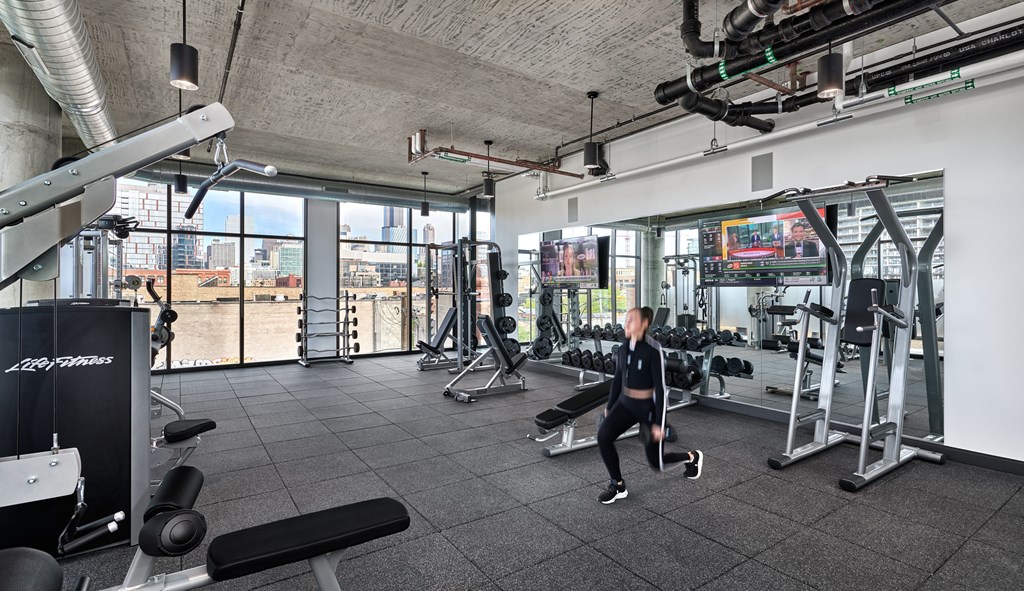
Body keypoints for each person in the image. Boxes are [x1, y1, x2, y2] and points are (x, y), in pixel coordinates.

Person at [596, 306, 704, 504]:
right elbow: (617, 380)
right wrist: (610, 407)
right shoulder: (623, 348)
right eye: (626, 319)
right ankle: (618, 485)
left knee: (657, 463)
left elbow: (660, 391)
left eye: (632, 320)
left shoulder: (653, 350)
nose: (626, 324)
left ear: (644, 324)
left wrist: (658, 425)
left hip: (647, 408)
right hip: (625, 404)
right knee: (603, 437)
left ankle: (692, 457)